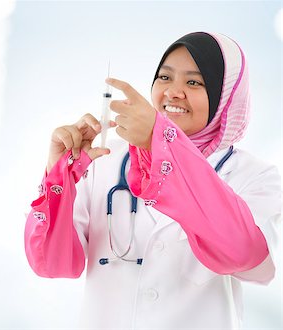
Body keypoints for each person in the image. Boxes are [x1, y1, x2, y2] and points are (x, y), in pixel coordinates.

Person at [24, 32, 281, 329]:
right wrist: (59, 176)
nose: (173, 92)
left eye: (194, 82)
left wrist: (162, 142)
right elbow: (51, 265)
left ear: (225, 97)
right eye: (165, 78)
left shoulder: (254, 176)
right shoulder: (104, 159)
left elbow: (247, 257)